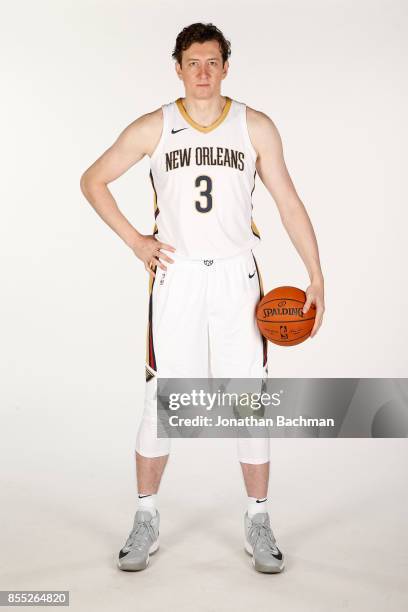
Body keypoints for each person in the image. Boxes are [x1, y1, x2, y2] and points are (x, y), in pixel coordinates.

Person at [80, 22, 325, 574]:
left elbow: (287, 201)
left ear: (226, 67)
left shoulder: (254, 126)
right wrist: (136, 241)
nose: (204, 72)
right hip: (178, 277)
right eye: (194, 62)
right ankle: (146, 516)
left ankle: (258, 519)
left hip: (237, 277)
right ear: (178, 68)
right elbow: (93, 179)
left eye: (213, 62)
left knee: (249, 401)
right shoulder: (154, 127)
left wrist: (316, 274)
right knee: (163, 400)